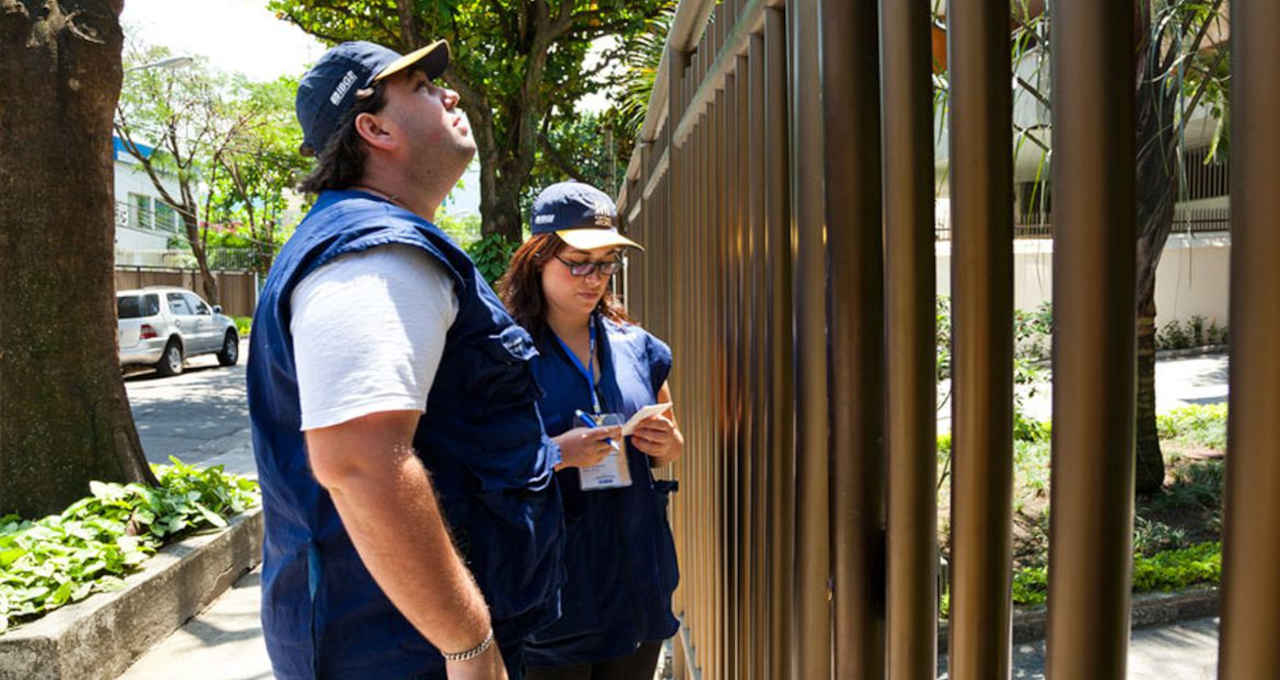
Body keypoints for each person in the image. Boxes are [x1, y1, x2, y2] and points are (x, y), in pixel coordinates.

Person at [246, 40, 564, 680]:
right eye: (420, 86)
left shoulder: (376, 240)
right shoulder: (373, 251)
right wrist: (469, 647)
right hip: (403, 653)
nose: (449, 94)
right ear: (374, 128)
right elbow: (361, 462)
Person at [497, 182, 685, 680]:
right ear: (537, 258)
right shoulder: (503, 354)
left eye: (606, 263)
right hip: (553, 596)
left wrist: (667, 444)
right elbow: (478, 466)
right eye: (579, 261)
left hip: (635, 583)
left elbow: (671, 440)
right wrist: (556, 454)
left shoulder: (636, 345)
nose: (594, 278)